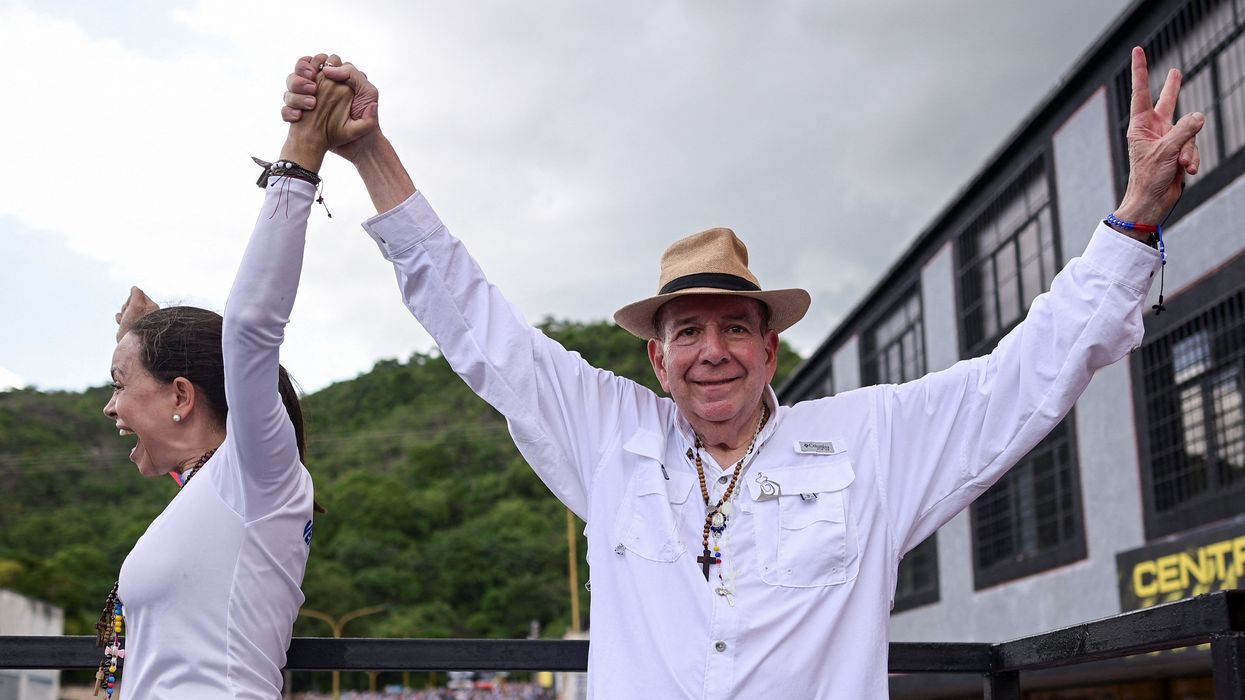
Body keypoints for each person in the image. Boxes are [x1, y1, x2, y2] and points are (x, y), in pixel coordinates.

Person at [282, 47, 1202, 698]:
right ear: (656, 356)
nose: (710, 350)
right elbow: (472, 321)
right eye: (686, 330)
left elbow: (1023, 379)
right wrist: (368, 151)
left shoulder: (867, 443)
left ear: (770, 348)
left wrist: (1131, 220)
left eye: (734, 326)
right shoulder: (608, 439)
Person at [96, 61, 362, 698]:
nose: (108, 406)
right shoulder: (220, 489)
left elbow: (248, 328)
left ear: (182, 396)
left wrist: (303, 149)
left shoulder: (258, 472)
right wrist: (151, 335)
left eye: (117, 383)